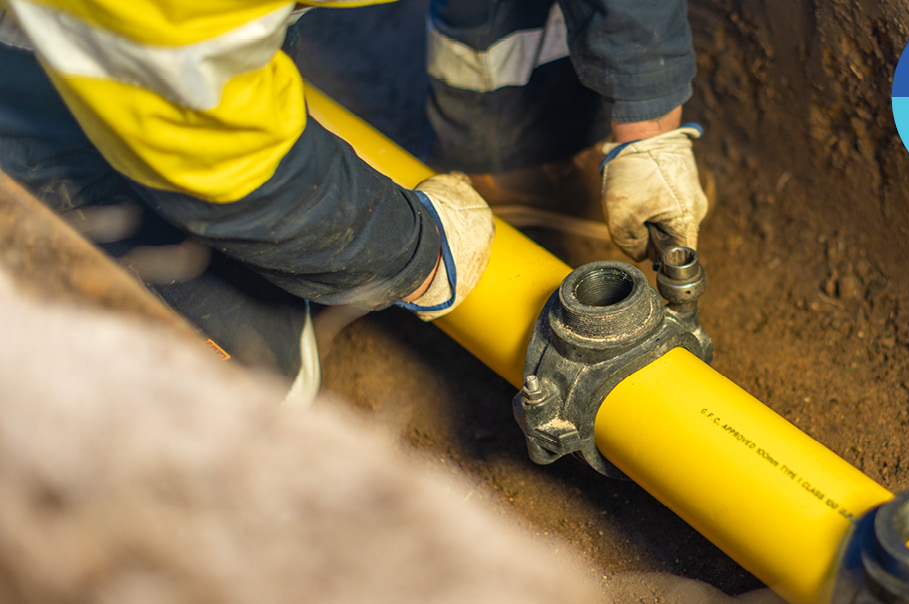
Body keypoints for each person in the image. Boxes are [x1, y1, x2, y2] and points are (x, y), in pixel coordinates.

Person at [0, 0, 708, 404]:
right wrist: (417, 254)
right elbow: (229, 166)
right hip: (45, 67)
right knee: (250, 385)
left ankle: (522, 160)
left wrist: (646, 112)